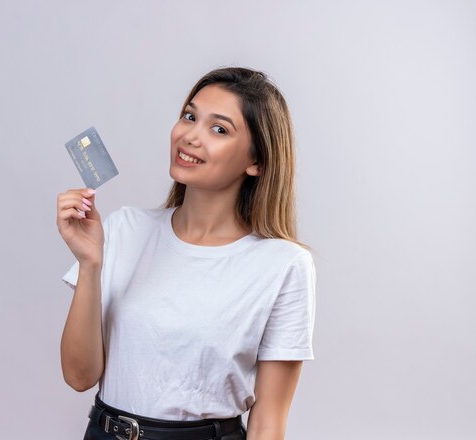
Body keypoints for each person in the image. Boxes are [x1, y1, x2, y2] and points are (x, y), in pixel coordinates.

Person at [57, 67, 316, 440]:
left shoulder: (284, 265)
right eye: (190, 116)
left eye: (219, 128)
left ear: (256, 161)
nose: (190, 136)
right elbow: (79, 377)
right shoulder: (123, 229)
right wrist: (90, 263)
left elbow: (269, 421)